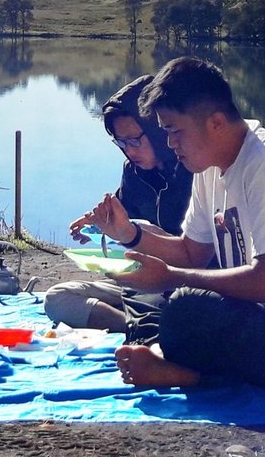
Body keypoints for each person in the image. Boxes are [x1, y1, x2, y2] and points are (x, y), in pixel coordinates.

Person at [93, 56, 265, 393]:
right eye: (166, 132)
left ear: (216, 123)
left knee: (183, 309)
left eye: (175, 131)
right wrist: (129, 234)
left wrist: (170, 277)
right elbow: (191, 253)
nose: (170, 143)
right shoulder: (207, 166)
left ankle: (189, 375)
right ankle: (176, 362)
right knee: (175, 307)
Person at [44, 74, 195, 330]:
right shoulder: (132, 172)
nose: (129, 150)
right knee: (58, 298)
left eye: (135, 140)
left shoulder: (195, 171)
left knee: (188, 309)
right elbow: (123, 224)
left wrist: (137, 233)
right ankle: (139, 327)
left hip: (186, 283)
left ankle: (151, 324)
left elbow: (198, 252)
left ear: (157, 130)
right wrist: (98, 226)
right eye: (121, 142)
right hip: (140, 281)